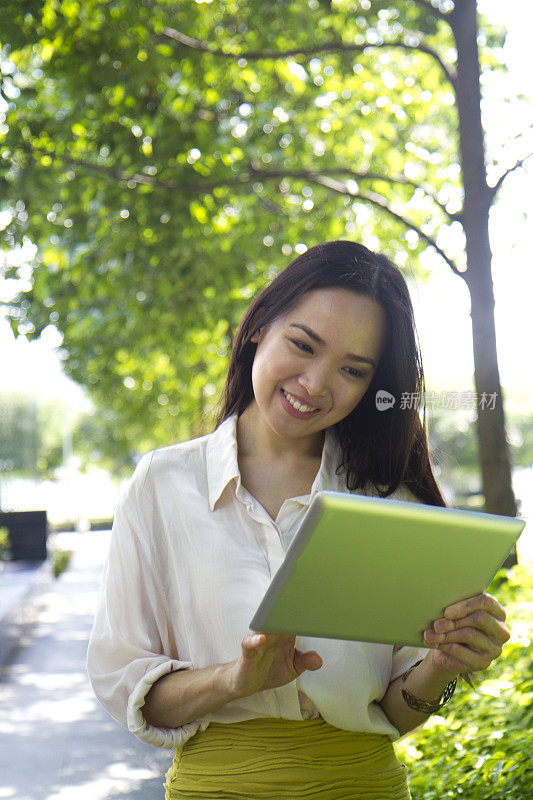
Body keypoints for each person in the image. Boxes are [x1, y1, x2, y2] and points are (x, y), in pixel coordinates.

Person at [86, 240, 510, 799]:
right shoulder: (162, 487)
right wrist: (234, 680)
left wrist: (443, 662)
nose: (315, 384)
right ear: (261, 323)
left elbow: (393, 713)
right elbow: (126, 683)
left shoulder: (392, 502)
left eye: (352, 370)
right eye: (303, 345)